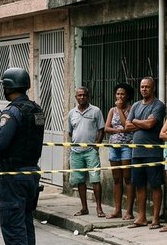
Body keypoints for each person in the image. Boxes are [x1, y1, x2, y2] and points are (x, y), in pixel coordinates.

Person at [0, 67, 45, 245]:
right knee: (26, 221)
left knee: (12, 222)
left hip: (13, 174)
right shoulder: (36, 110)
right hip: (31, 173)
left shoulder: (12, 112)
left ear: (8, 86)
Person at [125, 77, 165, 229]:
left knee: (155, 185)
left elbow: (151, 124)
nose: (144, 89)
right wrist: (139, 122)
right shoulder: (135, 105)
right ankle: (141, 217)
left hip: (153, 152)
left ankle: (155, 218)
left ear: (153, 88)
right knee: (139, 184)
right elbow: (127, 126)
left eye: (147, 87)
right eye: (142, 87)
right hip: (137, 152)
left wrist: (135, 121)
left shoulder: (158, 105)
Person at [67, 86, 106, 217]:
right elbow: (70, 132)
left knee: (95, 179)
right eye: (79, 95)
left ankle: (99, 208)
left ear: (88, 96)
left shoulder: (96, 111)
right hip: (76, 151)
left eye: (84, 95)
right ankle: (84, 208)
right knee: (80, 180)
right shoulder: (72, 113)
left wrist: (97, 145)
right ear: (76, 97)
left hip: (91, 151)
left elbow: (101, 129)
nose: (82, 97)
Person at [104, 83, 135, 220]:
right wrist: (116, 130)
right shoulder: (112, 110)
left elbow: (126, 125)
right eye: (117, 94)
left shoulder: (131, 109)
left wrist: (120, 109)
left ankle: (129, 211)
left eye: (122, 94)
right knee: (117, 179)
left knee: (128, 178)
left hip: (126, 146)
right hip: (114, 147)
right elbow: (106, 128)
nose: (119, 96)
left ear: (127, 95)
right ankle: (117, 210)